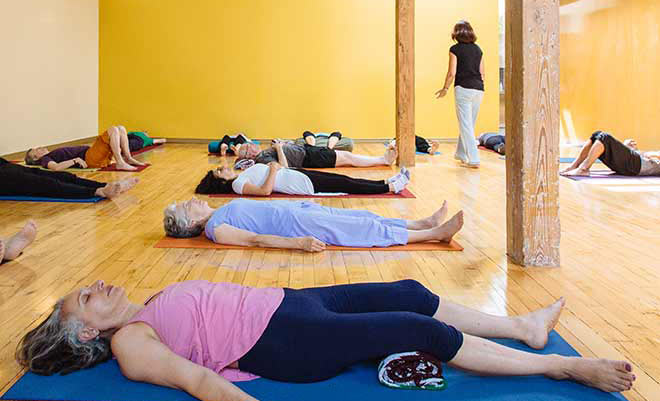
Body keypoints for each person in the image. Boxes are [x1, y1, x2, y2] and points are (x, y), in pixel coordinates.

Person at [17, 279, 635, 401]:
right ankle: (559, 368)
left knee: (411, 292)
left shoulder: (139, 312)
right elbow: (200, 380)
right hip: (286, 346)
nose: (97, 284)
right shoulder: (130, 346)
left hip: (290, 305)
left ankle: (522, 329)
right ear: (81, 331)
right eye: (86, 297)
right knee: (417, 326)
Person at [163, 196, 462, 250]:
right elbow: (256, 239)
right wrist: (298, 243)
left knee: (362, 217)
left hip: (300, 212)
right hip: (298, 228)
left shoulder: (219, 211)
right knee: (363, 231)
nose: (193, 200)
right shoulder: (216, 229)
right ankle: (435, 234)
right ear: (189, 220)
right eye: (187, 205)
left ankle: (420, 223)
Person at [195, 162, 411, 197]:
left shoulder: (241, 174)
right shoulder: (237, 184)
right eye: (219, 171)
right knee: (347, 185)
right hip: (302, 184)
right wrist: (272, 169)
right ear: (222, 181)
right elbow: (265, 192)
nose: (223, 167)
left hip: (297, 174)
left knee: (345, 178)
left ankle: (386, 182)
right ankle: (391, 187)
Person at [435, 21, 485, 169]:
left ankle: (474, 158)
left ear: (456, 33)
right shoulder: (478, 49)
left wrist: (445, 88)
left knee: (466, 124)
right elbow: (482, 73)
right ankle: (461, 153)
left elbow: (452, 73)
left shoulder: (455, 49)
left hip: (463, 88)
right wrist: (479, 86)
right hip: (478, 89)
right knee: (469, 123)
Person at [0, 157, 138, 200]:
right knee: (45, 183)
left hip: (6, 168)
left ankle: (105, 185)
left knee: (62, 176)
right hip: (5, 179)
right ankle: (97, 192)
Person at [25, 126, 149, 172]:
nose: (39, 147)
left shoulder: (49, 154)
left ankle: (128, 158)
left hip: (93, 156)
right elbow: (56, 168)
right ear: (35, 157)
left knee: (121, 129)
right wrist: (75, 160)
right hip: (90, 158)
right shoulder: (45, 159)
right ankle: (120, 162)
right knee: (113, 130)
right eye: (36, 150)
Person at [237, 139, 396, 169]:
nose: (252, 146)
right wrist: (279, 148)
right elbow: (283, 168)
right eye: (248, 148)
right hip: (308, 158)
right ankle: (382, 160)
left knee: (347, 157)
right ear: (249, 156)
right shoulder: (262, 160)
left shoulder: (263, 153)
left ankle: (382, 159)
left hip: (307, 151)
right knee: (348, 158)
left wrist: (284, 145)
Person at [561, 131, 660, 177]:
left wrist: (652, 153)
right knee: (597, 135)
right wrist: (628, 149)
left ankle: (583, 169)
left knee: (605, 138)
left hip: (638, 166)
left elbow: (652, 156)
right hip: (637, 162)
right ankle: (574, 165)